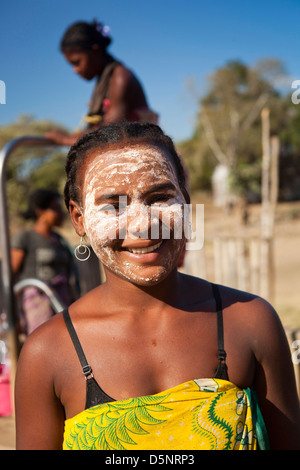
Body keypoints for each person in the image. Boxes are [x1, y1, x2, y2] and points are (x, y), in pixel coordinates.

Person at [15, 123, 300, 450]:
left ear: (186, 204)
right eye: (114, 205)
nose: (143, 224)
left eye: (160, 197)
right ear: (79, 218)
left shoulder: (250, 322)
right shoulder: (47, 352)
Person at [45, 20, 158, 146]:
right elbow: (97, 129)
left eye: (77, 62)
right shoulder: (103, 83)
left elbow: (109, 135)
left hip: (144, 155)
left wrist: (64, 140)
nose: (75, 70)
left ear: (95, 51)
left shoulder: (120, 77)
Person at [11, 188, 79, 335]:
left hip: (62, 303)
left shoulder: (60, 241)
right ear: (40, 212)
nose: (61, 213)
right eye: (55, 209)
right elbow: (10, 276)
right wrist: (12, 315)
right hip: (37, 306)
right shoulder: (25, 237)